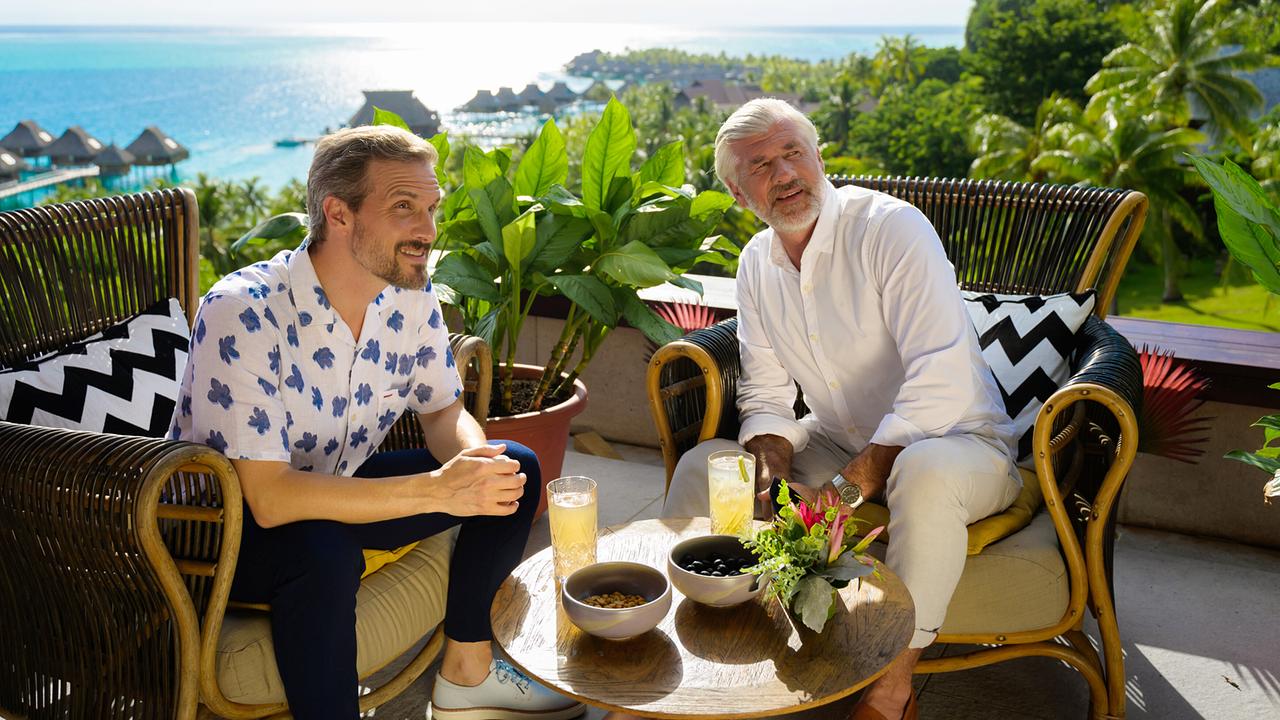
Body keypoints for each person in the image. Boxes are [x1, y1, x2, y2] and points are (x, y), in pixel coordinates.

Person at [168, 125, 584, 720]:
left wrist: (471, 463)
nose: (428, 231)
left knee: (512, 470)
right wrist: (436, 489)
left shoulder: (410, 295)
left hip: (336, 490)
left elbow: (442, 409)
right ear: (338, 214)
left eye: (431, 208)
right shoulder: (245, 311)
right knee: (323, 547)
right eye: (404, 208)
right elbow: (268, 497)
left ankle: (466, 674)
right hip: (222, 528)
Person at [658, 99, 1022, 720]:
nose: (784, 174)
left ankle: (891, 689)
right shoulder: (755, 266)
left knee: (926, 471)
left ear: (819, 157)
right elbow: (768, 397)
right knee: (707, 466)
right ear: (738, 193)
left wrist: (844, 491)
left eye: (793, 152)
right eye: (760, 166)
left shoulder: (890, 229)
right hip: (834, 435)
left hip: (961, 441)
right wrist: (769, 468)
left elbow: (940, 378)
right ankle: (694, 658)